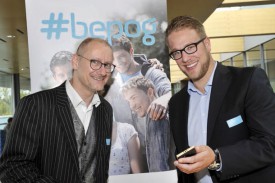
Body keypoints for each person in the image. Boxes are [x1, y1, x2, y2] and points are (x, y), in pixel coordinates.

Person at [165, 15, 275, 183]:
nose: (185, 58)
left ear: (207, 44)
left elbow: (270, 143)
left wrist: (217, 158)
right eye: (177, 53)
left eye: (190, 47)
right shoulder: (176, 104)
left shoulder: (247, 81)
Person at [0, 38, 115, 183]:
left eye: (108, 65)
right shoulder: (35, 105)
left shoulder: (105, 110)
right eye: (95, 62)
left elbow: (99, 168)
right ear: (75, 62)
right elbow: (12, 167)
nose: (103, 71)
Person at [104, 34, 172, 171]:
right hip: (131, 154)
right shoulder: (110, 83)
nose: (118, 62)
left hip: (158, 151)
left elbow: (169, 92)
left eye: (121, 56)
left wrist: (163, 100)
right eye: (113, 59)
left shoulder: (152, 73)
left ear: (131, 51)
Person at [121, 76, 174, 172]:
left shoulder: (155, 115)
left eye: (133, 98)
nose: (132, 106)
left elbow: (158, 167)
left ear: (150, 92)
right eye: (128, 101)